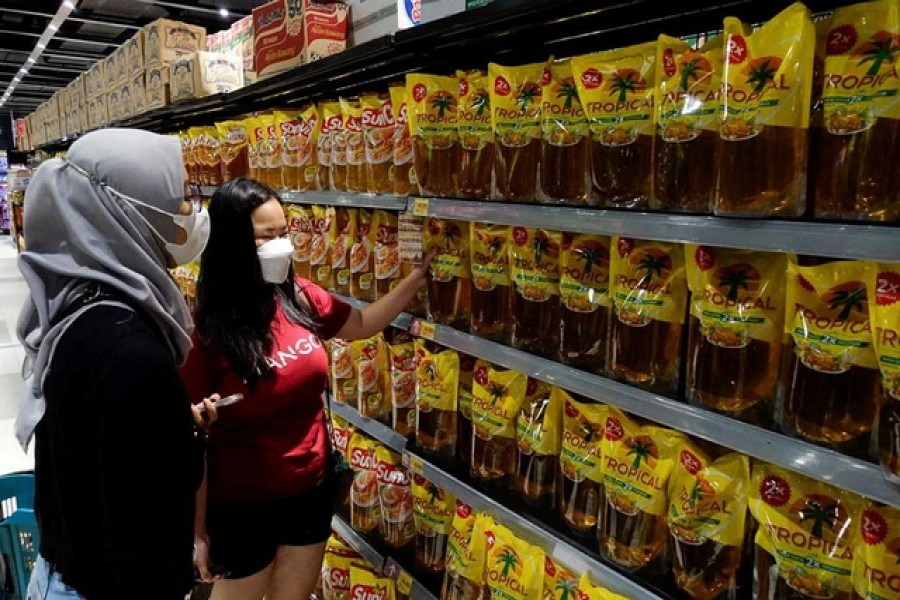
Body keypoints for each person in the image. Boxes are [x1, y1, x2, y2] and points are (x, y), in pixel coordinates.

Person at [182, 178, 431, 600]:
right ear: (232, 244)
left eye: (284, 233)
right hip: (243, 506)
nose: (281, 245)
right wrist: (197, 531)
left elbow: (364, 324)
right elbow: (191, 441)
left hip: (310, 494)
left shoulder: (299, 297)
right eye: (266, 236)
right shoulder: (206, 331)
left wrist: (417, 279)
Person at [16, 128, 218, 600]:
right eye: (179, 196)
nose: (190, 210)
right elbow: (138, 535)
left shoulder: (82, 302)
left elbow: (99, 450)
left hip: (65, 571)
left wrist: (169, 428)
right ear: (128, 210)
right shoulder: (129, 348)